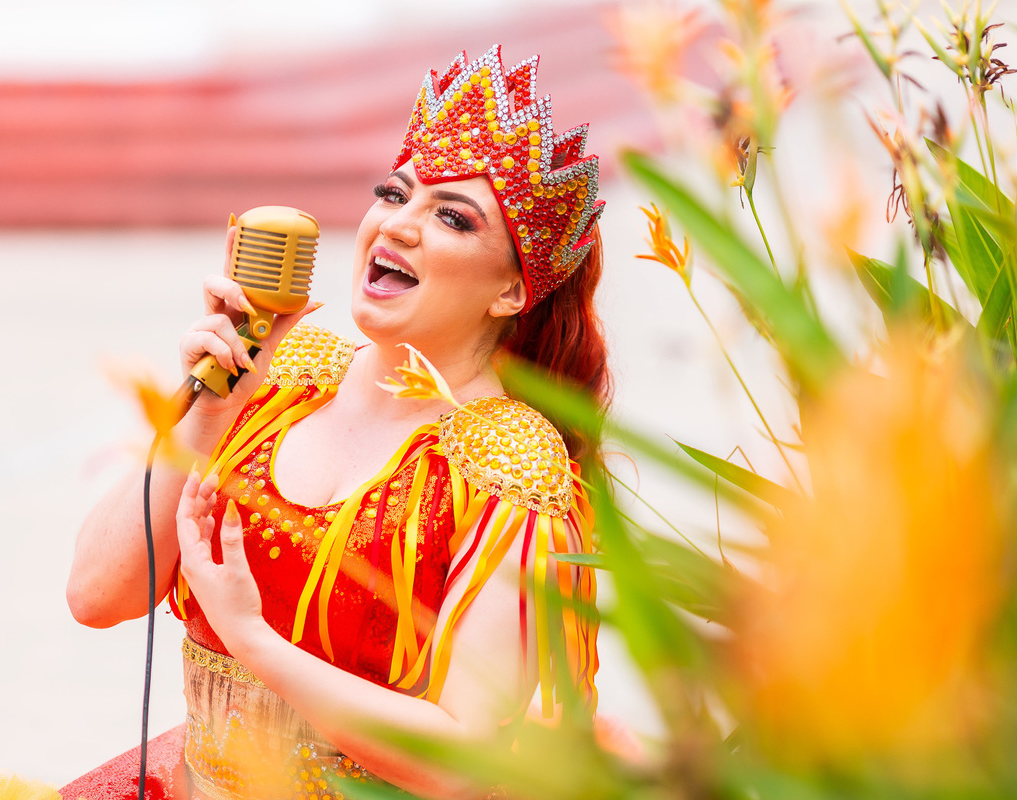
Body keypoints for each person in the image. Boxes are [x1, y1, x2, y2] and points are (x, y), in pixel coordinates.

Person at [63, 45, 608, 800]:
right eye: (394, 193)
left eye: (451, 217)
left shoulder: (509, 464)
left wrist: (252, 638)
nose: (399, 225)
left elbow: (467, 761)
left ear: (513, 290)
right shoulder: (283, 375)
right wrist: (207, 411)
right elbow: (97, 595)